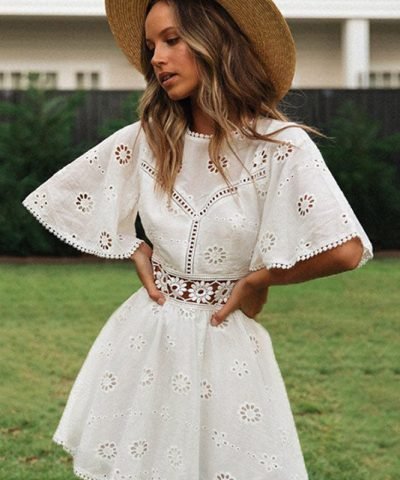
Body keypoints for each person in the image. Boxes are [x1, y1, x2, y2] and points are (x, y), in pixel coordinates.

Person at [22, 0, 373, 479]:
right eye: (150, 48)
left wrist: (259, 279)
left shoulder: (280, 145)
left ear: (217, 41)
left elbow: (346, 248)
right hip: (151, 337)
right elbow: (65, 198)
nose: (156, 60)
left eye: (171, 40)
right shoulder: (150, 138)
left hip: (224, 342)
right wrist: (134, 246)